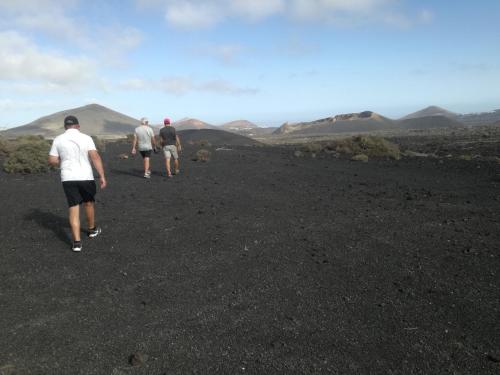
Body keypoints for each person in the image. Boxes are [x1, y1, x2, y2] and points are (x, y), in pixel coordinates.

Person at [48, 115, 107, 252]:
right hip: (86, 176)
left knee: (73, 207)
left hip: (68, 177)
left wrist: (62, 162)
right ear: (78, 126)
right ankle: (92, 230)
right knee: (89, 203)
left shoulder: (58, 139)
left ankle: (77, 243)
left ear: (65, 127)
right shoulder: (86, 138)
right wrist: (102, 176)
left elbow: (52, 160)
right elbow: (95, 157)